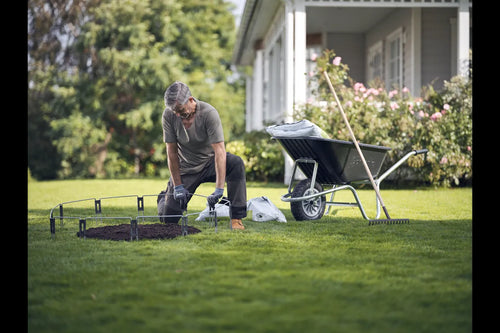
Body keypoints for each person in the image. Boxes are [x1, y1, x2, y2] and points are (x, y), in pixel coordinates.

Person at [159, 81, 247, 230]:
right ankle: (164, 196)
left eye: (180, 110)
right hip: (186, 168)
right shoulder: (169, 115)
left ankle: (236, 218)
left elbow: (220, 151)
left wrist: (219, 189)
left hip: (209, 163)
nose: (178, 115)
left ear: (191, 100)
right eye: (175, 111)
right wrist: (178, 186)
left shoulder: (208, 113)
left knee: (235, 163)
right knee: (168, 220)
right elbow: (171, 152)